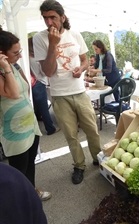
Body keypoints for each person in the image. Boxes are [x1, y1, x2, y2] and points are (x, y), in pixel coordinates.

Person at [33, 0, 101, 184]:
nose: (49, 22)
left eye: (53, 17)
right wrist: (52, 45)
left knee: (92, 130)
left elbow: (85, 60)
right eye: (45, 18)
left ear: (62, 17)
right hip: (59, 95)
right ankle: (79, 165)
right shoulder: (40, 39)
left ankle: (98, 159)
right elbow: (47, 71)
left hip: (79, 91)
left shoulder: (75, 34)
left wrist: (82, 69)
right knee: (71, 135)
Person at [0, 27, 51, 200]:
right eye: (16, 52)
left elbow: (26, 87)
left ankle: (32, 193)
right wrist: (6, 66)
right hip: (14, 132)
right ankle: (21, 203)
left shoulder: (14, 66)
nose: (20, 55)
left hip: (29, 125)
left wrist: (12, 65)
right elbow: (14, 94)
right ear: (2, 54)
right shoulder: (4, 71)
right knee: (18, 172)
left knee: (30, 163)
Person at [28, 37, 60, 135]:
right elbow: (44, 72)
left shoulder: (28, 57)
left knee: (37, 106)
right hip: (39, 82)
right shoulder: (36, 58)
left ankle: (39, 118)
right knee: (44, 108)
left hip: (33, 83)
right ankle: (50, 128)